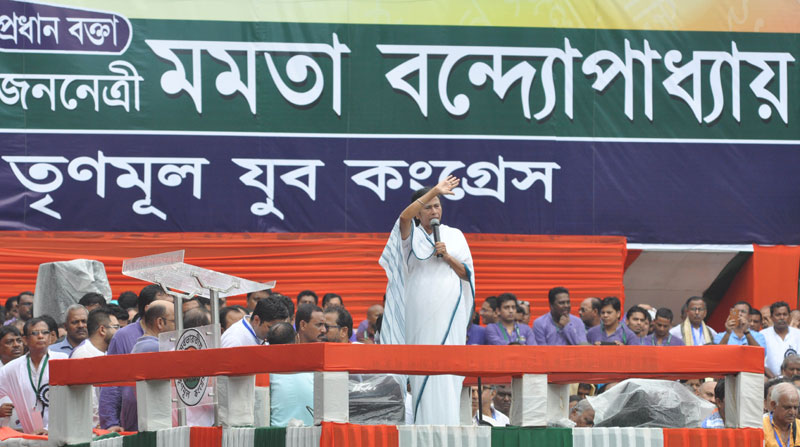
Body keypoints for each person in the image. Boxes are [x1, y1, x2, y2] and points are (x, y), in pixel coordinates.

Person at [379, 176, 475, 425]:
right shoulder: (410, 236)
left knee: (448, 371)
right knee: (424, 370)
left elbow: (467, 274)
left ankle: (449, 430)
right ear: (418, 212)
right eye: (428, 206)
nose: (434, 210)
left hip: (450, 314)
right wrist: (435, 189)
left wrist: (447, 257)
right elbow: (402, 218)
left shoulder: (455, 236)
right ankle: (424, 429)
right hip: (419, 312)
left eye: (438, 205)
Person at [99, 284, 170, 432]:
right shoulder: (123, 336)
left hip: (165, 421)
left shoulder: (173, 336)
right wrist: (110, 423)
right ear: (149, 309)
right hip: (133, 424)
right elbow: (112, 381)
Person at [0, 318, 68, 434]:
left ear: (51, 337)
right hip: (29, 436)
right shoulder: (10, 369)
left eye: (45, 332)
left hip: (60, 432)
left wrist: (48, 429)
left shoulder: (64, 360)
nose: (41, 336)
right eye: (35, 333)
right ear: (25, 339)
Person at [70, 308, 119, 428]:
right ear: (102, 330)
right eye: (116, 327)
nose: (119, 331)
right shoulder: (83, 355)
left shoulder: (107, 352)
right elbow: (88, 399)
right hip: (92, 428)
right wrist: (99, 423)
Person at [222, 297, 288, 347]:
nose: (275, 334)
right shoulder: (234, 339)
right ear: (256, 320)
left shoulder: (259, 334)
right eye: (270, 327)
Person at [762, 301, 800, 378]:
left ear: (789, 317)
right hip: (770, 380)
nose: (782, 318)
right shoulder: (763, 335)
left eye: (785, 314)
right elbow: (760, 362)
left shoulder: (798, 334)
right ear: (771, 317)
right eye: (778, 315)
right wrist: (774, 379)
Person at [763, 382, 800, 447]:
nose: (792, 412)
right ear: (773, 405)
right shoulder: (761, 427)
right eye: (787, 407)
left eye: (795, 407)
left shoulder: (799, 425)